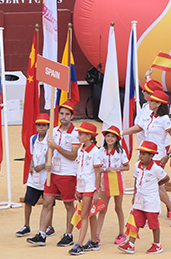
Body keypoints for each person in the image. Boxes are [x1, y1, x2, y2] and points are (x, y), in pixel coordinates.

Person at [122, 89, 171, 227]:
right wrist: (121, 133)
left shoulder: (164, 119)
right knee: (148, 184)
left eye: (151, 101)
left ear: (159, 104)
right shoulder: (150, 116)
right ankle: (166, 207)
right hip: (146, 154)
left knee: (153, 185)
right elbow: (138, 128)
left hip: (158, 156)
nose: (148, 102)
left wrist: (168, 155)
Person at [27, 104, 80, 247]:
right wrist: (46, 162)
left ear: (72, 116)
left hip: (67, 174)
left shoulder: (75, 133)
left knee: (69, 204)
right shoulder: (54, 131)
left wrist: (56, 147)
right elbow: (47, 151)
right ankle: (41, 234)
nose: (63, 116)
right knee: (46, 203)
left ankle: (68, 235)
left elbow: (73, 155)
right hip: (53, 173)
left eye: (67, 114)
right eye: (61, 113)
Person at [117, 141, 170, 254]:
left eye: (144, 154)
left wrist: (156, 185)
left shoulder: (156, 168)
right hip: (139, 199)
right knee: (136, 221)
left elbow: (166, 178)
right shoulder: (137, 165)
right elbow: (136, 179)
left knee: (153, 223)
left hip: (151, 200)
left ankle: (157, 244)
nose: (141, 156)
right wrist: (134, 194)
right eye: (140, 153)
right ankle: (131, 244)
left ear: (151, 155)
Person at [16, 113, 54, 237]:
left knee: (48, 203)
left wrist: (43, 166)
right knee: (28, 201)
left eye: (43, 125)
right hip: (34, 176)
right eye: (39, 125)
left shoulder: (50, 140)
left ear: (48, 126)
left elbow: (52, 157)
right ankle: (26, 225)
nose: (41, 128)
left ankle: (49, 226)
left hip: (46, 176)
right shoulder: (33, 139)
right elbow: (32, 156)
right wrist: (31, 167)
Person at [69, 122, 103, 255]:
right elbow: (80, 170)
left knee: (84, 215)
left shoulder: (95, 151)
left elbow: (97, 172)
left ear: (89, 136)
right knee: (91, 215)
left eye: (81, 134)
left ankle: (79, 244)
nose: (78, 136)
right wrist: (78, 188)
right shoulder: (81, 150)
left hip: (90, 187)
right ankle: (94, 241)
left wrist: (96, 190)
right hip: (83, 187)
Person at [96, 126, 130, 245]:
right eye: (108, 136)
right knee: (102, 208)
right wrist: (101, 169)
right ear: (105, 137)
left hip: (116, 181)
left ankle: (122, 233)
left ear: (117, 139)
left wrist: (115, 169)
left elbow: (127, 166)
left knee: (118, 208)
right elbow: (97, 166)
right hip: (105, 182)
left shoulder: (120, 152)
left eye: (113, 136)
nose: (110, 138)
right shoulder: (100, 151)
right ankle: (96, 235)